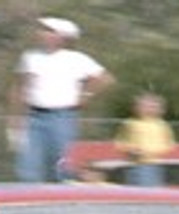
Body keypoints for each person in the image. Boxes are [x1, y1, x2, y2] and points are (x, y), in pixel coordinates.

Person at [9, 16, 114, 182]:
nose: (43, 34)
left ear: (61, 37)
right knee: (28, 167)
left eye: (49, 31)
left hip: (62, 117)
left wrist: (85, 95)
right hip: (34, 117)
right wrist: (15, 118)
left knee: (64, 167)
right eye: (43, 30)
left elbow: (105, 78)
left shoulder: (76, 59)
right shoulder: (30, 57)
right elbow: (20, 87)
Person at [114, 91, 175, 187]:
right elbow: (119, 143)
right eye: (143, 106)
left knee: (152, 190)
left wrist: (149, 152)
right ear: (136, 108)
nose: (148, 109)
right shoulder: (129, 124)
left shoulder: (162, 125)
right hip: (133, 164)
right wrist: (130, 149)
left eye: (152, 107)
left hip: (154, 164)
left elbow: (169, 145)